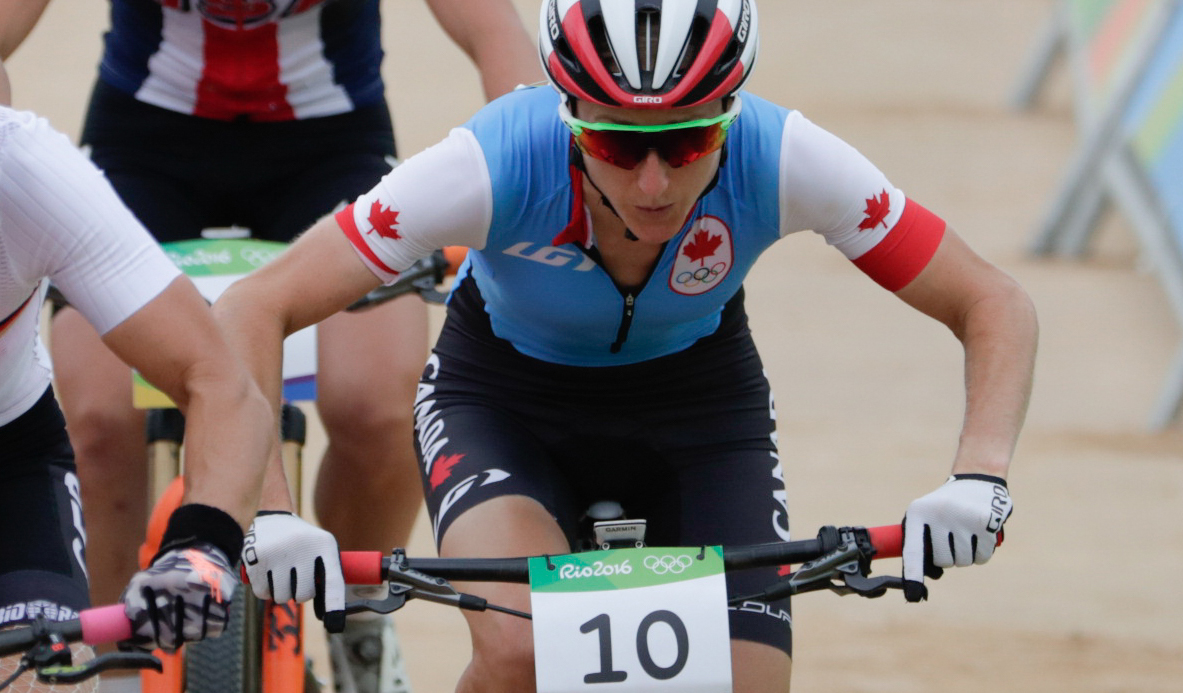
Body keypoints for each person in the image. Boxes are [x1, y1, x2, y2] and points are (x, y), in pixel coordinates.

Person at [217, 0, 1039, 690]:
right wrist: (273, 512)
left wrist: (979, 473)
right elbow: (256, 305)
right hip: (501, 401)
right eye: (615, 143)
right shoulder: (493, 161)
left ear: (731, 114)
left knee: (748, 679)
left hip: (700, 408)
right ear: (569, 115)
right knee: (524, 652)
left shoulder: (782, 155)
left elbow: (990, 300)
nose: (652, 182)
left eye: (686, 142)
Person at [2, 2, 541, 691]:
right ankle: (122, 665)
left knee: (376, 405)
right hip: (145, 142)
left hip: (329, 142)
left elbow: (494, 33)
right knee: (100, 420)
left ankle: (362, 624)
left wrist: (539, 182)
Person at [0, 59, 276, 692]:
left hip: (9, 464)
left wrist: (200, 546)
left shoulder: (28, 174)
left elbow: (218, 381)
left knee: (34, 683)